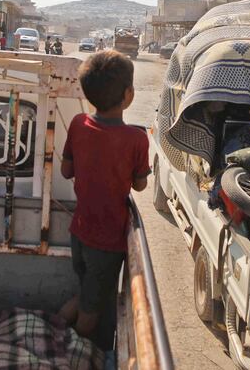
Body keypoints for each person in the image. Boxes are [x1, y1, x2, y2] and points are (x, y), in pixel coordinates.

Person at [58, 50, 150, 352]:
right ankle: (71, 352)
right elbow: (139, 185)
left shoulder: (77, 123)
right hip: (107, 242)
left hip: (79, 233)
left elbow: (66, 169)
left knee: (87, 292)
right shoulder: (136, 139)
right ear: (129, 94)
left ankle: (56, 326)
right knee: (91, 311)